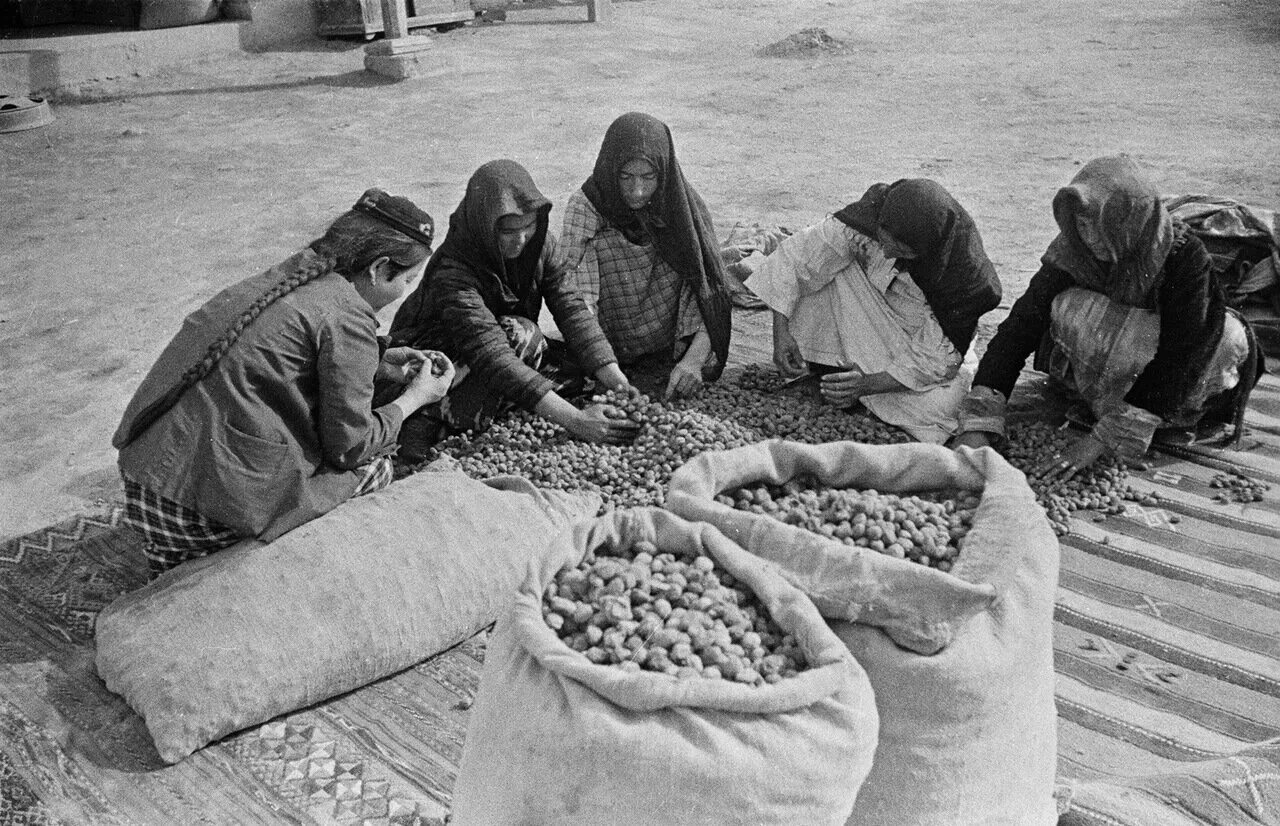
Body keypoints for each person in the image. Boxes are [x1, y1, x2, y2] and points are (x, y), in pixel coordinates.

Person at [114, 189, 455, 578]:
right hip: (190, 518)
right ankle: (239, 563)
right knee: (377, 468)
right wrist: (414, 398)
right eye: (407, 281)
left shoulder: (295, 275)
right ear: (379, 269)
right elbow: (350, 449)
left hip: (147, 484)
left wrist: (378, 360)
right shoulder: (348, 318)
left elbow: (283, 354)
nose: (404, 293)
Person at [953, 156, 1254, 478]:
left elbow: (1182, 354)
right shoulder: (1073, 251)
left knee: (1226, 337)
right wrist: (981, 416)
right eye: (1082, 225)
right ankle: (1102, 399)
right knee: (1067, 305)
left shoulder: (1182, 255)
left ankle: (1149, 417)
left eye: (1101, 225)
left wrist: (1103, 439)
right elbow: (1020, 328)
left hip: (1174, 382)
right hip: (1116, 363)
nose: (1091, 237)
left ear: (1128, 219)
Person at [389, 159, 639, 458]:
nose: (521, 240)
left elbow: (570, 307)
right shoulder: (454, 269)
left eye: (529, 226)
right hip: (441, 358)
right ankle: (430, 418)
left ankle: (495, 404)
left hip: (496, 350)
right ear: (486, 225)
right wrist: (576, 421)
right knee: (523, 334)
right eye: (508, 230)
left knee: (582, 374)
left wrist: (615, 378)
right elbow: (491, 352)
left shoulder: (541, 244)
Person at [748, 178, 1003, 443]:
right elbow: (798, 256)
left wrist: (867, 384)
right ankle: (827, 372)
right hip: (866, 304)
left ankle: (851, 388)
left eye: (902, 251)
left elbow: (937, 359)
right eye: (884, 241)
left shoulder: (963, 276)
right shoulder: (872, 218)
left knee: (943, 407)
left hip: (915, 340)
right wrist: (781, 330)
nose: (889, 253)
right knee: (816, 269)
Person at [559, 111, 735, 401]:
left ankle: (683, 356)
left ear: (662, 172)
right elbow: (573, 291)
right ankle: (603, 362)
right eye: (625, 177)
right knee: (595, 243)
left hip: (666, 335)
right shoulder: (587, 204)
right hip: (607, 336)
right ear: (610, 169)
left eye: (648, 177)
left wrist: (694, 360)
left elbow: (712, 288)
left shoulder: (678, 201)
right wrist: (602, 365)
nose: (637, 191)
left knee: (693, 254)